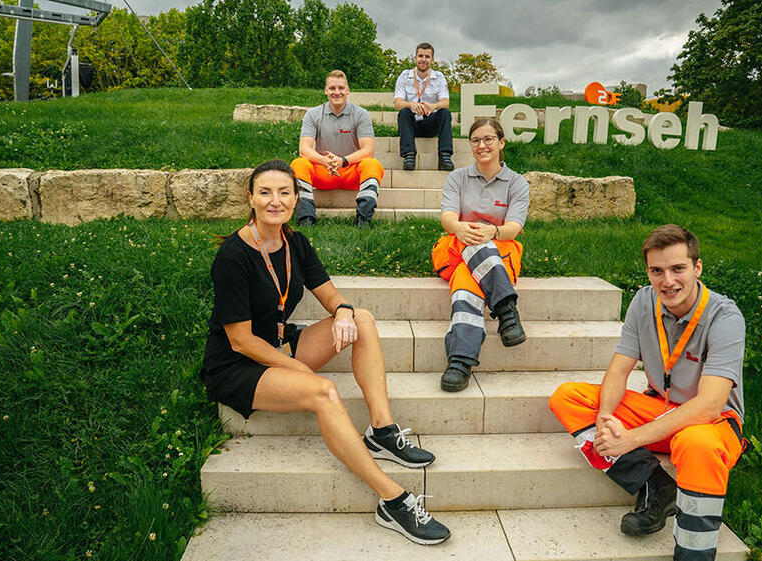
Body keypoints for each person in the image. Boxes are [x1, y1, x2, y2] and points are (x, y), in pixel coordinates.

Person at [200, 159, 450, 545]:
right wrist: (301, 372)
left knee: (362, 320)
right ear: (250, 198)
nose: (275, 201)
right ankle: (393, 500)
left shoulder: (294, 242)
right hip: (238, 365)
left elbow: (328, 294)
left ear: (296, 198)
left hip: (280, 344)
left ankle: (381, 430)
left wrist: (344, 311)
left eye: (284, 192)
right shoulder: (233, 255)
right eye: (265, 192)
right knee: (324, 392)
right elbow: (241, 340)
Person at [549, 225, 746, 561]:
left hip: (710, 424)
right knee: (567, 397)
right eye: (657, 271)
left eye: (677, 269)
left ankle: (693, 555)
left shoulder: (725, 317)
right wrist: (606, 420)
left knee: (694, 443)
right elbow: (618, 370)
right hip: (661, 410)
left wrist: (630, 439)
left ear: (697, 268)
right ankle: (656, 484)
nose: (667, 281)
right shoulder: (644, 301)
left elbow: (710, 406)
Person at [431, 118, 529, 393]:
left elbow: (514, 228)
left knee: (465, 288)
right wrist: (461, 228)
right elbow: (447, 217)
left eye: (488, 139)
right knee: (472, 237)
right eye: (476, 140)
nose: (482, 145)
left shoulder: (517, 183)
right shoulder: (457, 178)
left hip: (500, 249)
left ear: (501, 143)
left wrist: (492, 233)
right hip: (457, 246)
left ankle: (460, 361)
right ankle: (506, 311)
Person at [291, 70, 384, 229]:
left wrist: (343, 161)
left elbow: (368, 150)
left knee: (373, 165)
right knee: (298, 164)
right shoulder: (313, 114)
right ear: (326, 90)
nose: (337, 92)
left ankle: (363, 218)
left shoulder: (361, 114)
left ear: (348, 90)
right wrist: (325, 161)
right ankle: (306, 218)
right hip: (324, 171)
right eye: (332, 88)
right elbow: (304, 149)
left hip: (350, 172)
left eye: (341, 88)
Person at [394, 42, 454, 172]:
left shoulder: (439, 77)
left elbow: (445, 102)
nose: (423, 60)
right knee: (403, 112)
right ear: (415, 57)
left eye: (427, 57)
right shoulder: (404, 76)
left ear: (432, 60)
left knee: (445, 112)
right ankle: (409, 155)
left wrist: (433, 106)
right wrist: (412, 105)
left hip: (430, 122)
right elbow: (397, 103)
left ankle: (445, 156)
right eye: (420, 56)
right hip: (411, 124)